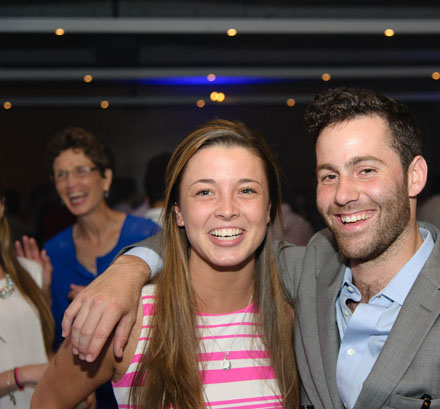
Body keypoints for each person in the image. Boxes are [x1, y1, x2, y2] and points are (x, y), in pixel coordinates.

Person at [61, 88, 440, 408]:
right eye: (329, 175)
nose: (344, 194)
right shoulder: (311, 270)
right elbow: (216, 234)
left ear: (415, 176)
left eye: (366, 169)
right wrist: (129, 268)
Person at [31, 120, 299, 409]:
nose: (227, 209)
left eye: (246, 190)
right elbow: (46, 402)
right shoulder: (127, 320)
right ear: (178, 213)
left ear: (268, 209)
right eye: (204, 192)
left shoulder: (293, 318)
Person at [41, 127, 160, 408]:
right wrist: (41, 296)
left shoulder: (147, 237)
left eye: (81, 171)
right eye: (61, 175)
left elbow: (171, 315)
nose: (71, 183)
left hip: (143, 391)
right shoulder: (53, 252)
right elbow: (52, 338)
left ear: (105, 177)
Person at [0, 188, 54, 408]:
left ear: (1, 206)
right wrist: (22, 375)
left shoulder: (31, 272)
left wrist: (73, 385)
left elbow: (44, 346)